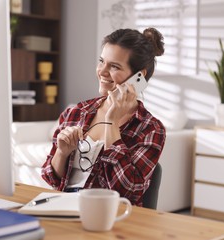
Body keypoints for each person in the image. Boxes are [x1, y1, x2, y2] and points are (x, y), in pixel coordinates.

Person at [41, 28, 166, 206]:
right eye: (101, 61)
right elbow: (51, 179)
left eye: (114, 66)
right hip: (66, 209)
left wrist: (112, 122)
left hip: (112, 216)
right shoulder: (76, 112)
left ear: (139, 76)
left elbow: (127, 192)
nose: (102, 71)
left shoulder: (151, 129)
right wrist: (62, 153)